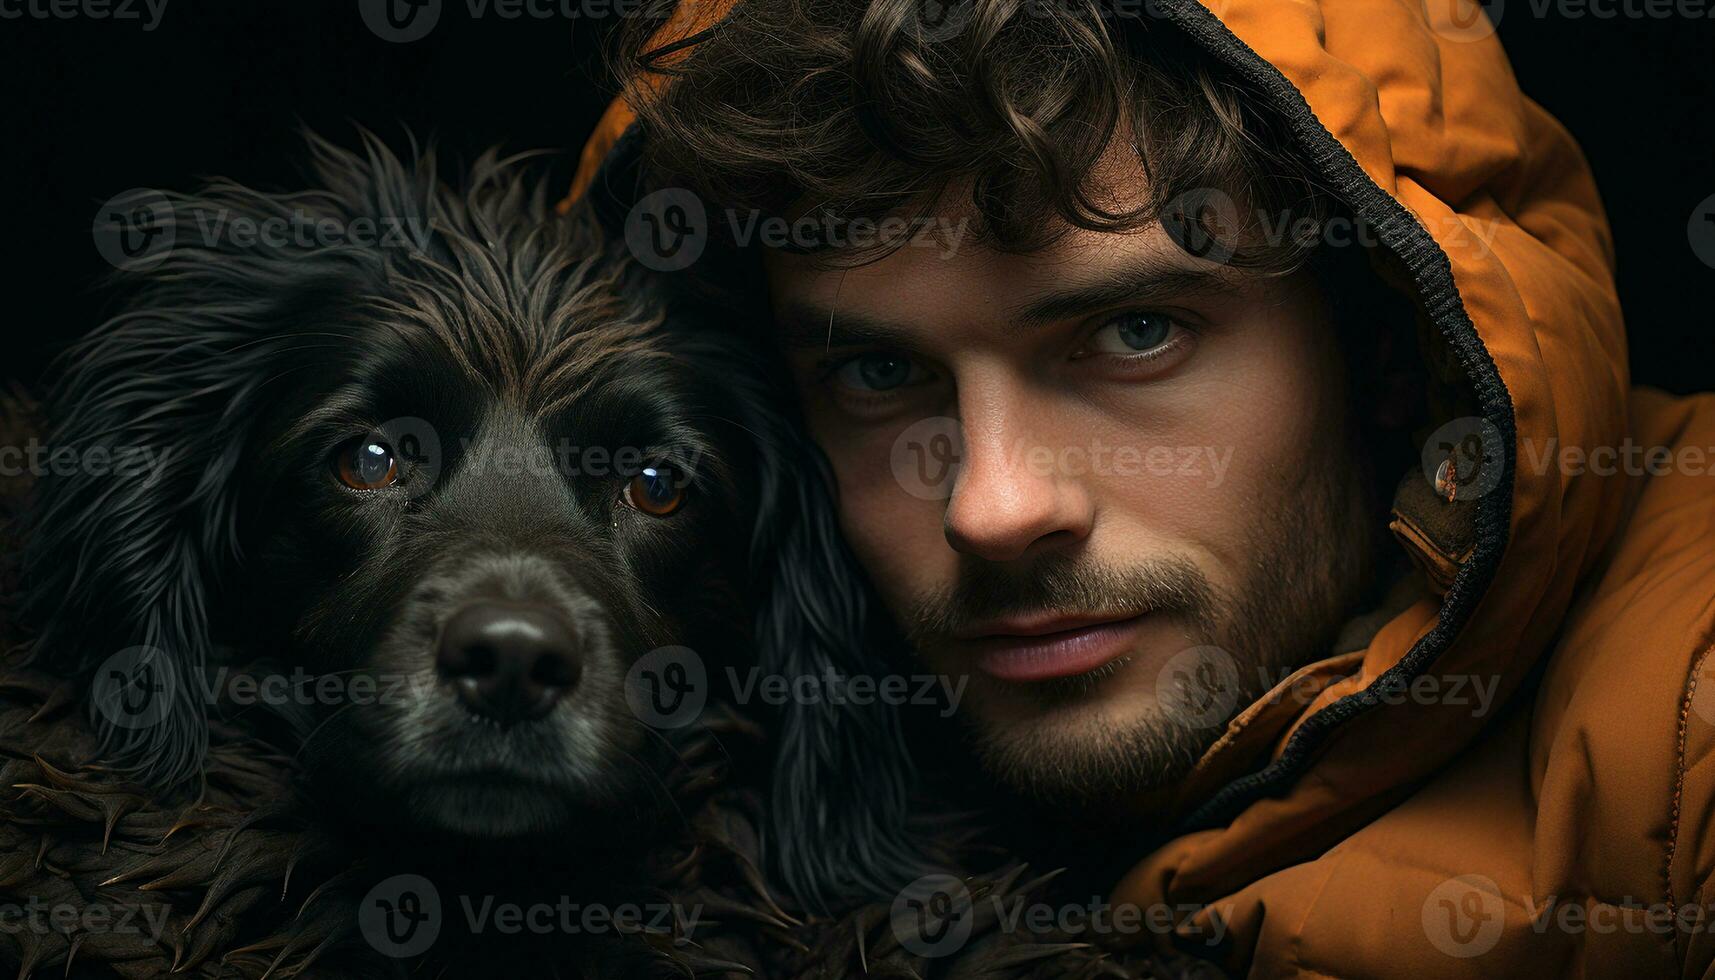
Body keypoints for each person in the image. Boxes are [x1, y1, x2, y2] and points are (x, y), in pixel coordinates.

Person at [566, 0, 1715, 974]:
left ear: (1382, 344)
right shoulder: (699, 790)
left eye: (1133, 331)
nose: (992, 508)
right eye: (877, 373)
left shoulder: (1685, 731)